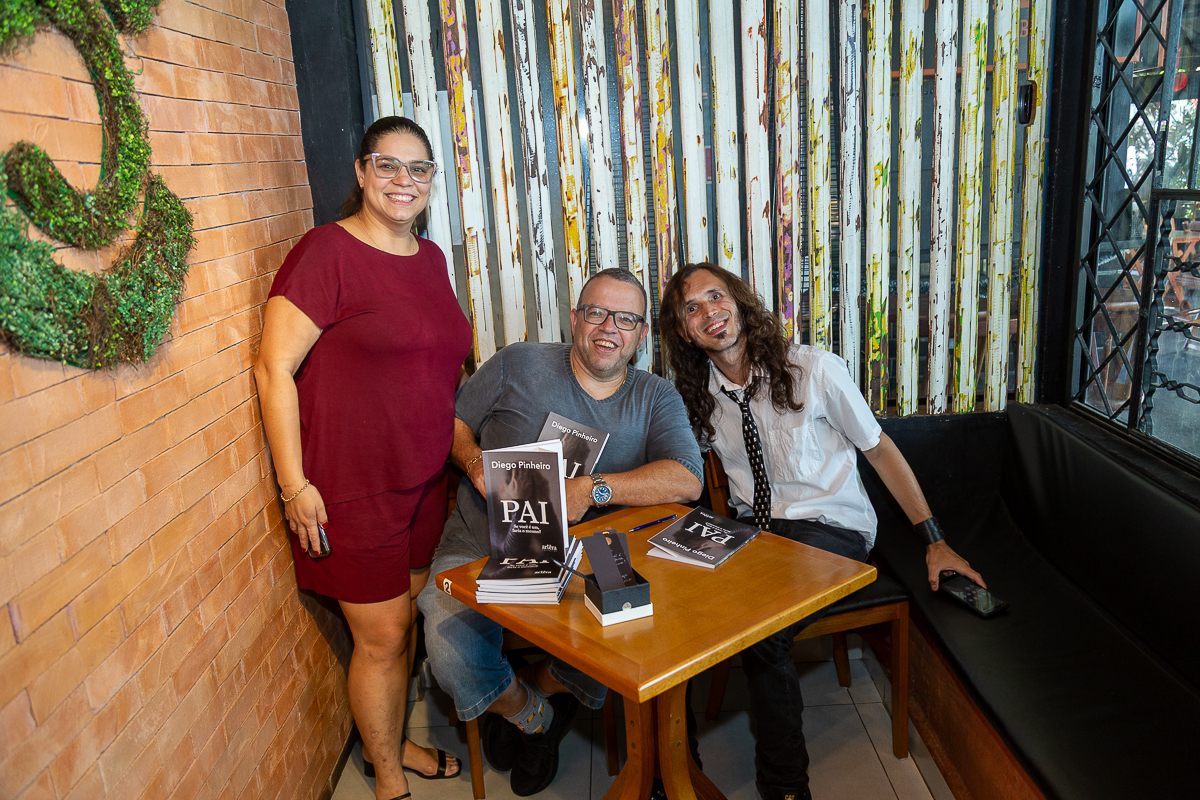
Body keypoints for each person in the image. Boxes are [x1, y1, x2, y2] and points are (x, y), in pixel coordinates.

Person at [659, 262, 986, 800]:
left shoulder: (812, 369)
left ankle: (785, 788)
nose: (708, 313)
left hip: (829, 530)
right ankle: (673, 772)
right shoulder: (698, 394)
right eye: (690, 309)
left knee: (761, 629)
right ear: (683, 332)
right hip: (754, 537)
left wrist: (936, 540)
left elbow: (879, 451)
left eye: (716, 297)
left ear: (738, 301)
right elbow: (683, 473)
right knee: (675, 608)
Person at [417, 268, 704, 797]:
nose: (608, 328)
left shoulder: (654, 395)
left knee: (629, 632)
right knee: (447, 645)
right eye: (596, 312)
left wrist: (594, 489)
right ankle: (533, 717)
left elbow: (687, 479)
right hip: (481, 542)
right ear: (575, 319)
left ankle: (540, 688)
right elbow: (452, 421)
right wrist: (476, 462)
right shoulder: (518, 362)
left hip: (585, 557)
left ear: (642, 334)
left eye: (625, 319)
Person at [256, 116, 469, 800]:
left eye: (419, 169)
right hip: (354, 488)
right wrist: (294, 486)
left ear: (432, 181)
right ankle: (386, 779)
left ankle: (395, 740)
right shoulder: (327, 253)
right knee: (382, 639)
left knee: (403, 622)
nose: (403, 181)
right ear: (359, 172)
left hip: (424, 479)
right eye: (387, 165)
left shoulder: (430, 257)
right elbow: (272, 369)